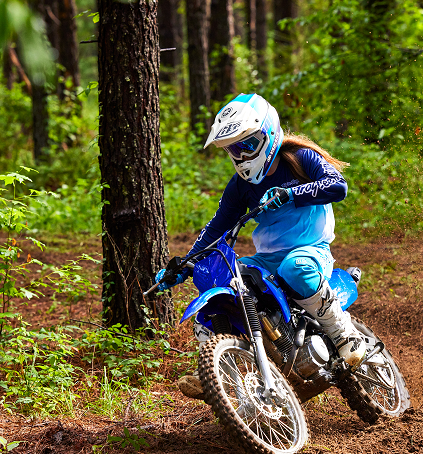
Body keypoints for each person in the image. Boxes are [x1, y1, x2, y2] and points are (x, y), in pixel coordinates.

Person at [156, 93, 366, 399]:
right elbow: (217, 227)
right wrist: (186, 264)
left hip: (310, 249)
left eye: (247, 145)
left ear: (268, 135)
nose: (241, 156)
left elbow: (337, 186)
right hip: (268, 258)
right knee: (223, 284)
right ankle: (216, 372)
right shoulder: (240, 186)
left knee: (295, 268)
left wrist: (292, 194)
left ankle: (344, 334)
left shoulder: (297, 159)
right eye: (232, 149)